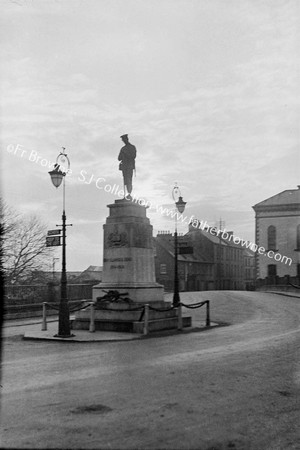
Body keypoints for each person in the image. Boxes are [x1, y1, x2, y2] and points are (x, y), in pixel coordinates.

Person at [118, 134, 136, 199]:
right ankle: (127, 194)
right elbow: (119, 158)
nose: (123, 141)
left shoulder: (132, 147)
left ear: (127, 139)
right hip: (124, 166)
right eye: (123, 140)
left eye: (124, 140)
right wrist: (123, 154)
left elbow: (133, 156)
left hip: (129, 166)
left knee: (129, 180)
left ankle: (129, 193)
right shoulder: (123, 148)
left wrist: (126, 153)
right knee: (125, 180)